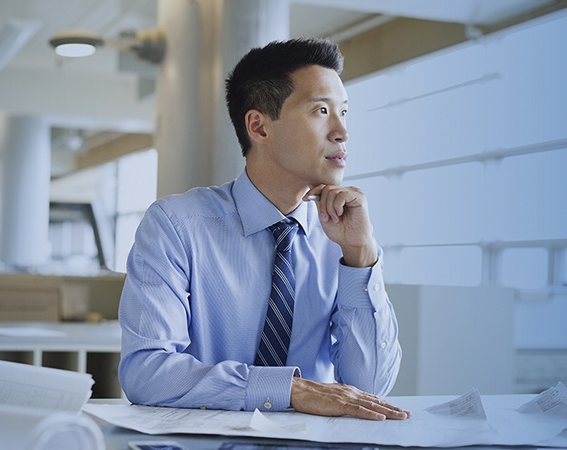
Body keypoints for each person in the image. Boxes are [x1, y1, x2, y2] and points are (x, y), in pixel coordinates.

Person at [118, 38, 410, 421]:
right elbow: (147, 372)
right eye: (321, 111)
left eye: (344, 112)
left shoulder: (341, 233)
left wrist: (360, 257)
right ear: (258, 127)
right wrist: (289, 390)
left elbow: (369, 387)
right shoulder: (176, 226)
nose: (342, 132)